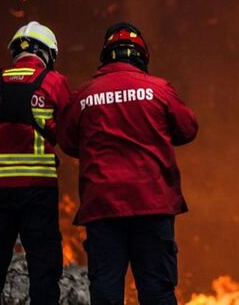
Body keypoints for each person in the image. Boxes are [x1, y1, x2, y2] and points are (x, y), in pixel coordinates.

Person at [58, 22, 198, 305]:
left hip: (103, 207)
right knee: (157, 290)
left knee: (106, 291)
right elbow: (187, 129)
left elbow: (68, 141)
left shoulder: (85, 95)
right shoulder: (159, 90)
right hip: (152, 204)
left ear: (106, 56)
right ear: (141, 57)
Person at [0, 21, 71, 305]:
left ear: (15, 50)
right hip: (38, 192)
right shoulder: (55, 82)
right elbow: (69, 132)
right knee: (44, 270)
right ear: (48, 54)